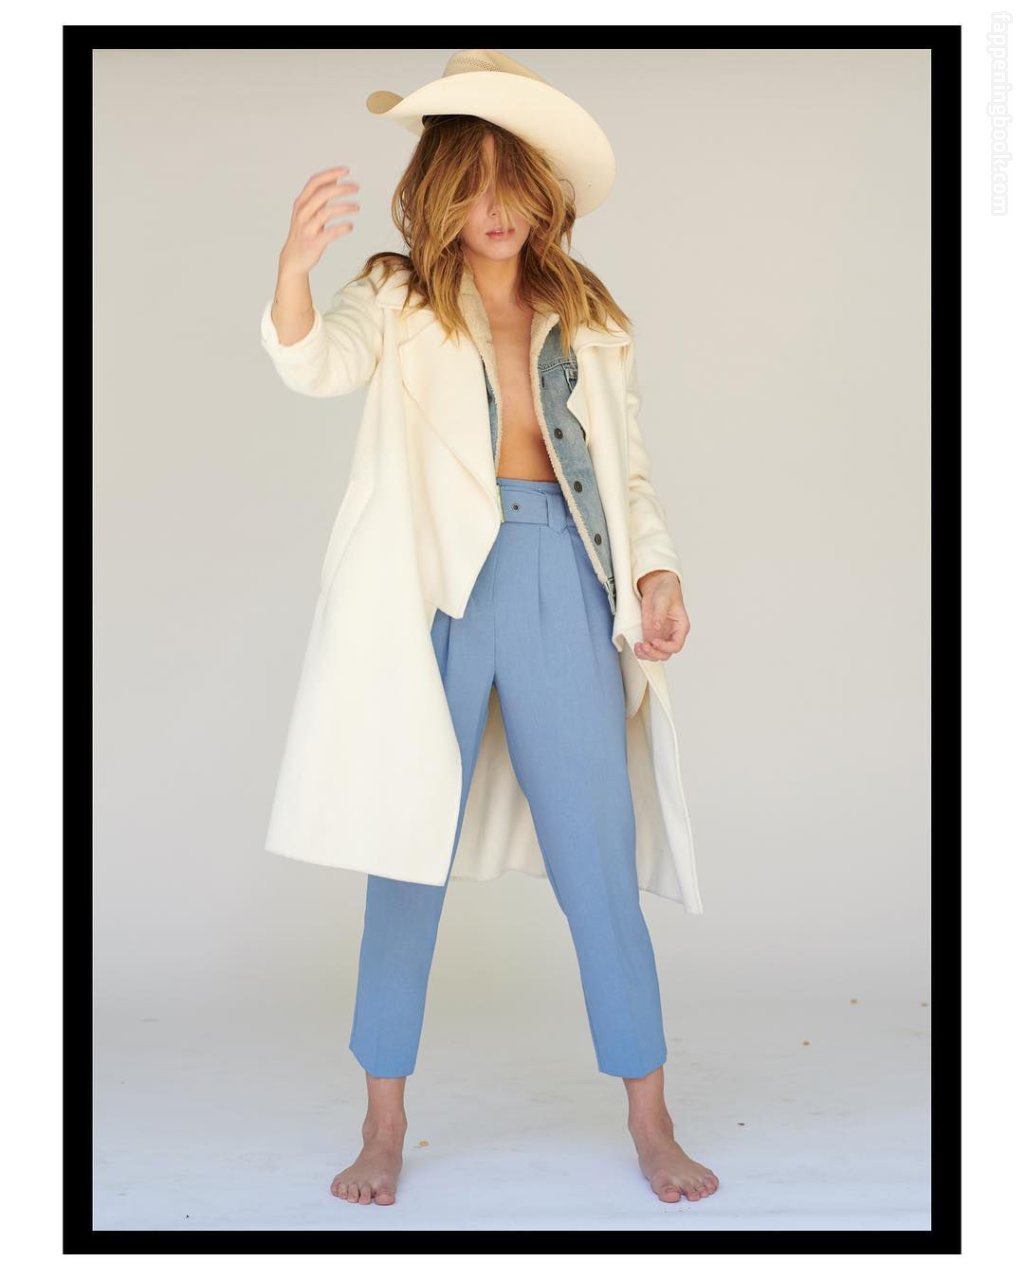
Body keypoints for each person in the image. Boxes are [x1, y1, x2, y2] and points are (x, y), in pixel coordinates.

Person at [260, 49, 718, 1209]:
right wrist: (293, 271)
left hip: (564, 574)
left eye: (510, 182)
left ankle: (652, 1120)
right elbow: (316, 364)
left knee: (598, 861)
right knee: (404, 858)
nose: (494, 208)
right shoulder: (397, 294)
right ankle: (382, 1125)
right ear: (438, 195)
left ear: (542, 191)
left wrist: (656, 570)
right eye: (468, 185)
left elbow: (629, 472)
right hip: (439, 593)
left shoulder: (589, 311)